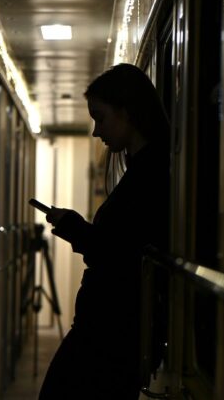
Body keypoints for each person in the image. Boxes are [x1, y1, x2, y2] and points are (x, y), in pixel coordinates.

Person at [38, 63, 170, 399]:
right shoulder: (141, 170)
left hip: (112, 331)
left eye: (100, 118)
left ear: (126, 113)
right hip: (107, 327)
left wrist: (75, 228)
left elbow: (122, 253)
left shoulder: (151, 175)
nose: (97, 131)